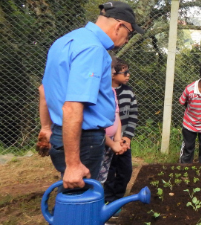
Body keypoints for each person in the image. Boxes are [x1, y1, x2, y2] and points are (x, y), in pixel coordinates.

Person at [40, 1, 144, 189]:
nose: (127, 39)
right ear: (119, 26)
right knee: (82, 200)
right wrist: (73, 165)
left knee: (73, 195)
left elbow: (44, 90)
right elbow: (72, 106)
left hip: (60, 131)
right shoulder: (93, 49)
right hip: (83, 140)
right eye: (129, 33)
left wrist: (46, 127)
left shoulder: (65, 41)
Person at [104, 58, 139, 206]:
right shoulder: (104, 92)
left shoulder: (128, 92)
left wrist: (127, 137)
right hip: (107, 142)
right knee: (109, 172)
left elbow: (133, 115)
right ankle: (108, 200)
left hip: (123, 141)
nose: (128, 75)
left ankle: (119, 197)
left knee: (125, 171)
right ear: (112, 74)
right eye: (125, 73)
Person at [97, 57, 128, 184]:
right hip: (98, 142)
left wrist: (117, 138)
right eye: (111, 69)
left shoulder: (112, 92)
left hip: (110, 143)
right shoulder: (94, 92)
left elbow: (117, 116)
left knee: (102, 177)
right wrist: (112, 143)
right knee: (91, 177)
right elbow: (93, 128)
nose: (114, 72)